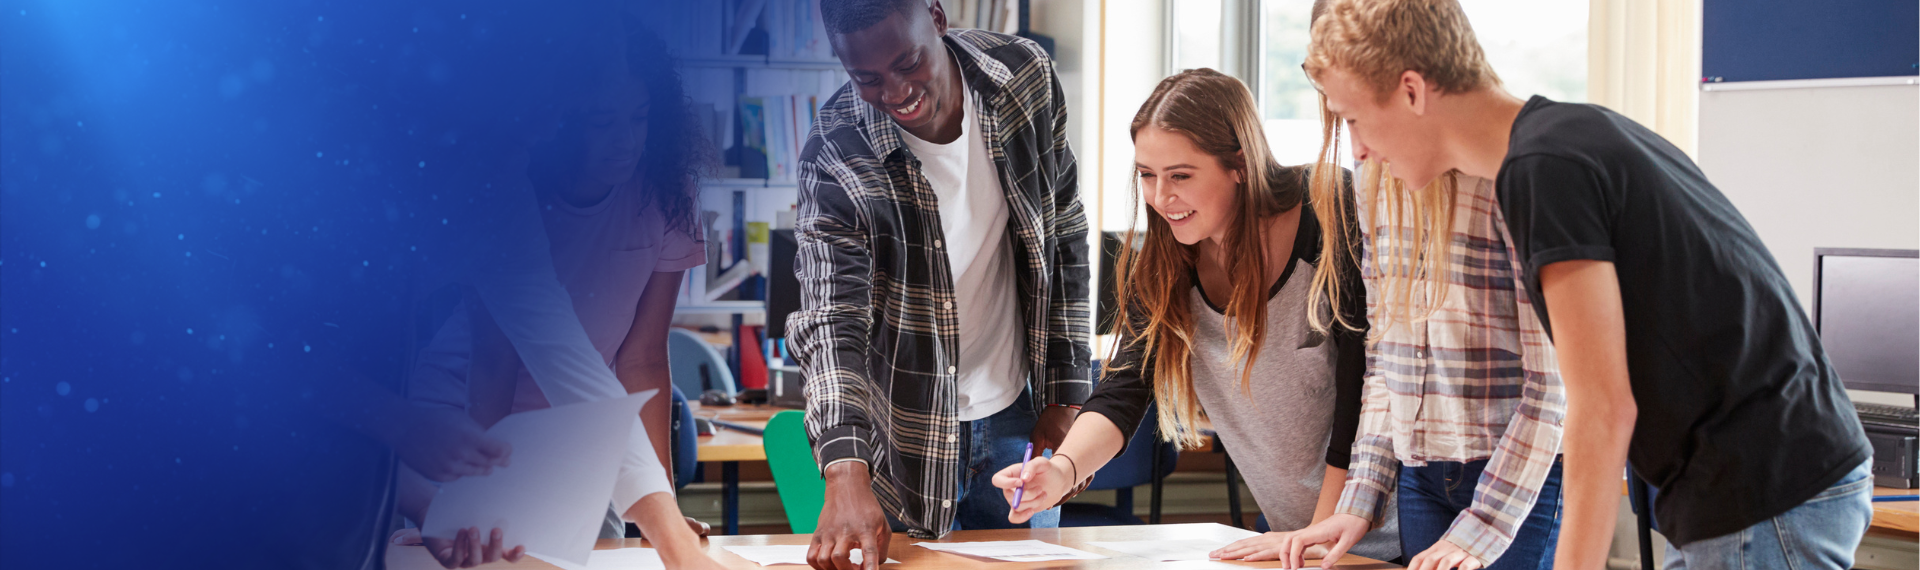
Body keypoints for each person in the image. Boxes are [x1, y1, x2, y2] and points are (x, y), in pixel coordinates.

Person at [1294, 1, 1874, 570]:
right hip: (1747, 481)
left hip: (1763, 486)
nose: (1360, 148)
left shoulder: (1543, 170)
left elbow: (1600, 407)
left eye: (1353, 118)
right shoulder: (1564, 137)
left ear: (1412, 91)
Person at [990, 68, 1401, 563]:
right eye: (1147, 175)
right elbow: (1124, 389)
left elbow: (1364, 383)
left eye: (1181, 176)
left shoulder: (1329, 209)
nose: (1161, 198)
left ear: (1240, 165)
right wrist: (1062, 471)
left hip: (1392, 529)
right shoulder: (1166, 266)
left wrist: (1319, 531)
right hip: (1298, 538)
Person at [394, 22, 726, 570]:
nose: (624, 140)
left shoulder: (508, 193)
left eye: (638, 118)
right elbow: (490, 364)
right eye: (597, 121)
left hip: (564, 436)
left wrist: (668, 528)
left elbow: (577, 359)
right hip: (447, 429)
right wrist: (446, 501)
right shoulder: (460, 182)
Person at [1265, 3, 1571, 568]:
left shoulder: (1516, 176)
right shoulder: (1373, 181)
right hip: (1419, 473)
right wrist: (1359, 499)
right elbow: (1387, 357)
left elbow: (1553, 386)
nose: (1353, 147)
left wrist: (1479, 531)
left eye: (1356, 117)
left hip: (1513, 472)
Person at [786, 0, 1091, 568]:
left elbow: (1065, 229)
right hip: (901, 436)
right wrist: (846, 471)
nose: (896, 91)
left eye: (908, 62)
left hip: (1016, 419)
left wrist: (1066, 394)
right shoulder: (836, 153)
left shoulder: (1023, 76)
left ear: (937, 16)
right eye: (867, 78)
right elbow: (831, 323)